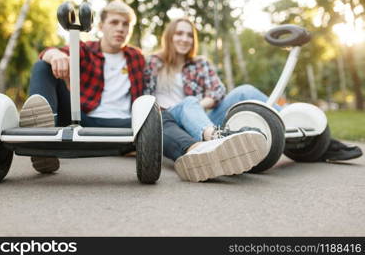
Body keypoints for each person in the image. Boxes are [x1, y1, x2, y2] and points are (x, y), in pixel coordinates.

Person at [144, 18, 362, 180]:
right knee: (187, 103)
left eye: (189, 35)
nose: (184, 39)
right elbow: (143, 99)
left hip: (202, 117)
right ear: (169, 37)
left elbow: (217, 91)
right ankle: (217, 141)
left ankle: (313, 139)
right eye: (179, 34)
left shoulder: (200, 63)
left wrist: (198, 106)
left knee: (244, 90)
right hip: (171, 121)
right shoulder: (153, 63)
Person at [20, 0, 143, 173]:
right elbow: (52, 52)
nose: (121, 28)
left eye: (126, 24)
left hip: (123, 124)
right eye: (114, 22)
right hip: (84, 118)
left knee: (159, 120)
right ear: (100, 26)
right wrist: (55, 55)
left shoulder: (137, 57)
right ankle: (43, 140)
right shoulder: (87, 49)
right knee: (42, 66)